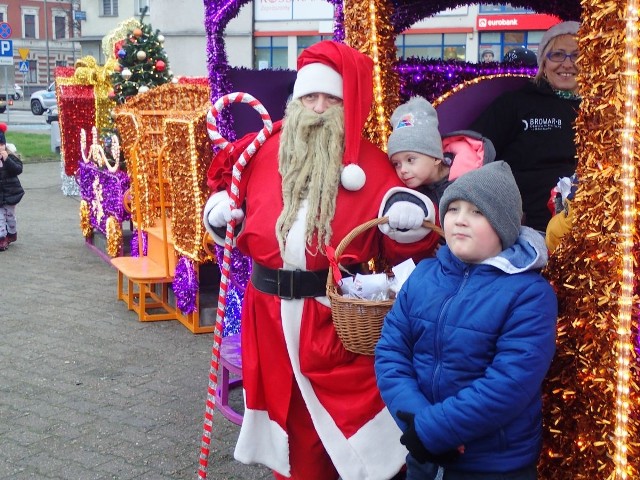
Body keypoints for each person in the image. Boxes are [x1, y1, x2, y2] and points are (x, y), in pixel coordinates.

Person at [203, 40, 440, 480]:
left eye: (329, 98)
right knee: (287, 421)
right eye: (308, 97)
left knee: (338, 425)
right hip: (267, 316)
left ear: (345, 105)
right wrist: (218, 215)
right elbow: (230, 212)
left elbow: (400, 249)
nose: (316, 108)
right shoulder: (260, 152)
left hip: (333, 318)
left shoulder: (369, 165)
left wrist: (411, 221)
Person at [375, 161, 558, 480]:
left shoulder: (529, 294)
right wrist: (417, 424)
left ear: (503, 224)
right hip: (423, 455)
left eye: (477, 212)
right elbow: (391, 353)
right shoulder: (424, 276)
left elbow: (509, 383)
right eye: (454, 208)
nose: (460, 219)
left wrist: (434, 430)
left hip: (492, 465)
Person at [470, 21, 581, 233]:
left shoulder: (601, 108)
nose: (567, 64)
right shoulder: (515, 103)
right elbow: (474, 150)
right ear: (543, 62)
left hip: (587, 227)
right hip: (526, 227)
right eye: (557, 54)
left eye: (576, 55)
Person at [385, 96, 495, 210]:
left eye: (410, 160)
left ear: (436, 157)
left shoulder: (470, 181)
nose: (402, 170)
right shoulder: (413, 193)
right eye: (397, 164)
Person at [0, 123, 24, 251]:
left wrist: (7, 159)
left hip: (11, 193)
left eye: (1, 145)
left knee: (10, 217)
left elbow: (18, 169)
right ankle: (2, 239)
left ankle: (12, 233)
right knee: (0, 218)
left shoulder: (10, 157)